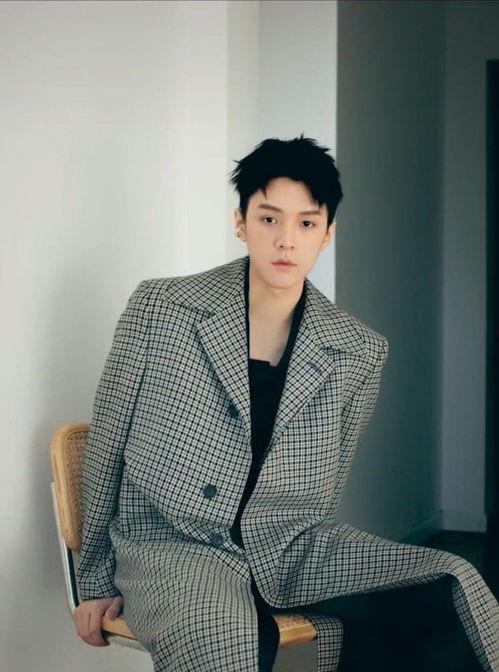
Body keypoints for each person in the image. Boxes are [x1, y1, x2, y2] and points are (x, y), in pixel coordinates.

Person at [73, 135, 497, 671]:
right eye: (269, 218)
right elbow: (107, 446)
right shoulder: (163, 308)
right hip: (172, 547)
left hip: (290, 548)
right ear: (241, 222)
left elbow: (329, 485)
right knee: (220, 636)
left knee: (454, 582)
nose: (286, 240)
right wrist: (92, 580)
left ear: (327, 233)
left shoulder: (359, 350)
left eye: (306, 223)